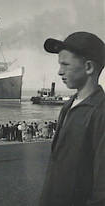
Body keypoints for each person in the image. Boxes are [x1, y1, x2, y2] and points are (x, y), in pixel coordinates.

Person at [40, 32, 105, 205]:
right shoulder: (69, 105)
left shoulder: (100, 113)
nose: (59, 71)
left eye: (65, 64)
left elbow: (102, 191)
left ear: (89, 67)